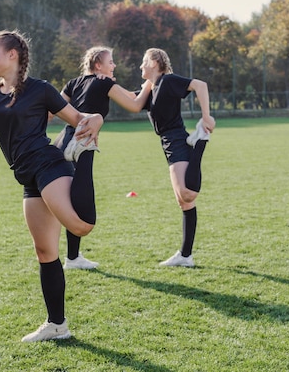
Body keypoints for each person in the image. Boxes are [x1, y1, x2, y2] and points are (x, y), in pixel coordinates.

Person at [0, 30, 105, 342]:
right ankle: (57, 325)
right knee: (45, 250)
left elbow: (80, 118)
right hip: (26, 176)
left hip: (48, 165)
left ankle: (83, 155)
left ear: (13, 55)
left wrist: (98, 118)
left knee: (81, 226)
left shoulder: (40, 90)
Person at [56, 46, 152, 270]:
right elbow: (136, 104)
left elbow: (52, 111)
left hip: (61, 142)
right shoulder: (103, 83)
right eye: (111, 62)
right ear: (98, 65)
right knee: (81, 205)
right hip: (81, 143)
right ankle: (71, 258)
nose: (114, 65)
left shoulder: (74, 83)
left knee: (67, 200)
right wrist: (151, 83)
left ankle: (72, 257)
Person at [139, 48, 215, 267]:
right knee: (183, 202)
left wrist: (206, 116)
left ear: (154, 62)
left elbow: (200, 85)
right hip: (168, 142)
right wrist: (106, 83)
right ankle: (185, 255)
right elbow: (132, 100)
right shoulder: (151, 89)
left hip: (177, 139)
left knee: (187, 194)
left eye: (144, 62)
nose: (141, 66)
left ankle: (200, 141)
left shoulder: (168, 81)